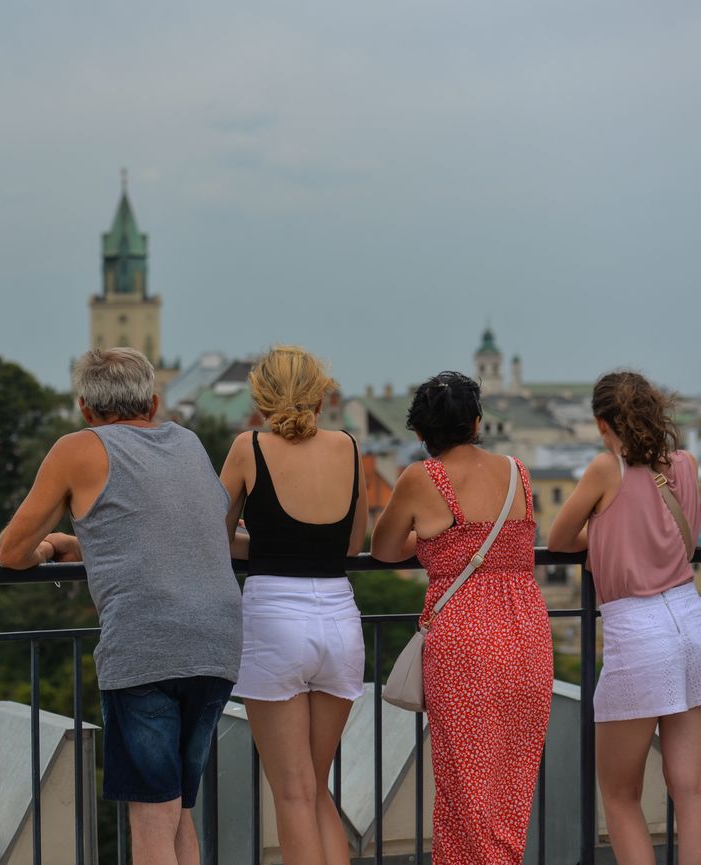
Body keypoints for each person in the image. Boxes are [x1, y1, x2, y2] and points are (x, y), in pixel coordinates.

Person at [0, 347, 241, 865]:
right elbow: (172, 534)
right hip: (216, 641)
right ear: (153, 402)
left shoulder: (77, 449)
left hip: (145, 646)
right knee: (177, 807)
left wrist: (49, 547)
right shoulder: (189, 443)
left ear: (86, 408)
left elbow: (11, 552)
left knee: (150, 816)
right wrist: (88, 545)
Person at [371, 371, 551, 865]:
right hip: (528, 635)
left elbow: (384, 549)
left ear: (421, 432)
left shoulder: (422, 478)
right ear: (476, 422)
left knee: (462, 791)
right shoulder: (517, 470)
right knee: (510, 789)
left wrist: (434, 545)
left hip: (466, 641)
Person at [217, 346, 366, 865]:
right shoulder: (347, 446)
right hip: (340, 619)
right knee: (317, 786)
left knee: (293, 793)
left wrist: (261, 542)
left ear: (261, 396)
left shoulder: (247, 447)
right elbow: (351, 543)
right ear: (321, 394)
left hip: (274, 619)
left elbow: (213, 536)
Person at [548, 371, 701, 865]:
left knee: (619, 795)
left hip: (637, 631)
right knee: (692, 790)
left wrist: (604, 541)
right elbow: (686, 542)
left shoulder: (604, 470)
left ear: (601, 423)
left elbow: (559, 540)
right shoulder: (684, 464)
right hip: (690, 618)